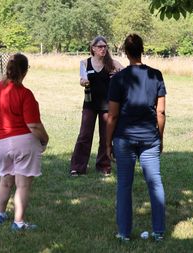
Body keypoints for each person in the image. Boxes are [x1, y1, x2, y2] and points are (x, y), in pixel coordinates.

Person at [106, 34, 166, 241]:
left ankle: (123, 232)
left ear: (125, 51)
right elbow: (161, 112)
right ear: (142, 49)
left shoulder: (118, 79)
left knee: (124, 185)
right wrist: (160, 137)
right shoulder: (156, 75)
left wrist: (107, 143)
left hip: (124, 138)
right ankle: (158, 231)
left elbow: (112, 115)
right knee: (155, 183)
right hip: (150, 137)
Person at [0, 53, 49, 231]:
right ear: (25, 71)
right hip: (23, 142)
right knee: (22, 184)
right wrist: (45, 139)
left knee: (5, 181)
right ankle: (18, 222)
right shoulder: (25, 94)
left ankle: (0, 214)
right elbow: (34, 125)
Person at [70, 36, 123, 176]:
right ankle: (77, 167)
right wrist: (83, 82)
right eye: (100, 46)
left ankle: (104, 166)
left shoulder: (113, 63)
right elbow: (82, 79)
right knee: (84, 135)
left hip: (108, 106)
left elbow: (126, 75)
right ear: (93, 48)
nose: (103, 49)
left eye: (105, 46)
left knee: (106, 137)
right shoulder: (85, 63)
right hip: (90, 104)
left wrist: (118, 76)